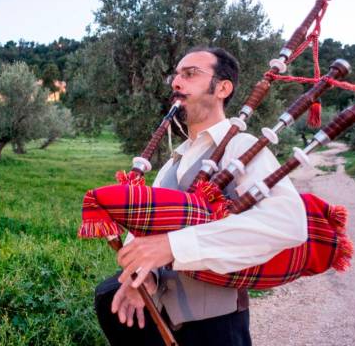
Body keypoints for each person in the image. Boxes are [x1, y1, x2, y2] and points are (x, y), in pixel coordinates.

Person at [94, 47, 308, 346]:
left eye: (190, 73)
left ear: (223, 87)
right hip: (162, 321)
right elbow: (145, 238)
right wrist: (143, 278)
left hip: (217, 328)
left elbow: (289, 223)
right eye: (176, 75)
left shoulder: (241, 148)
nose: (176, 82)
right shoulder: (172, 162)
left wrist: (173, 246)